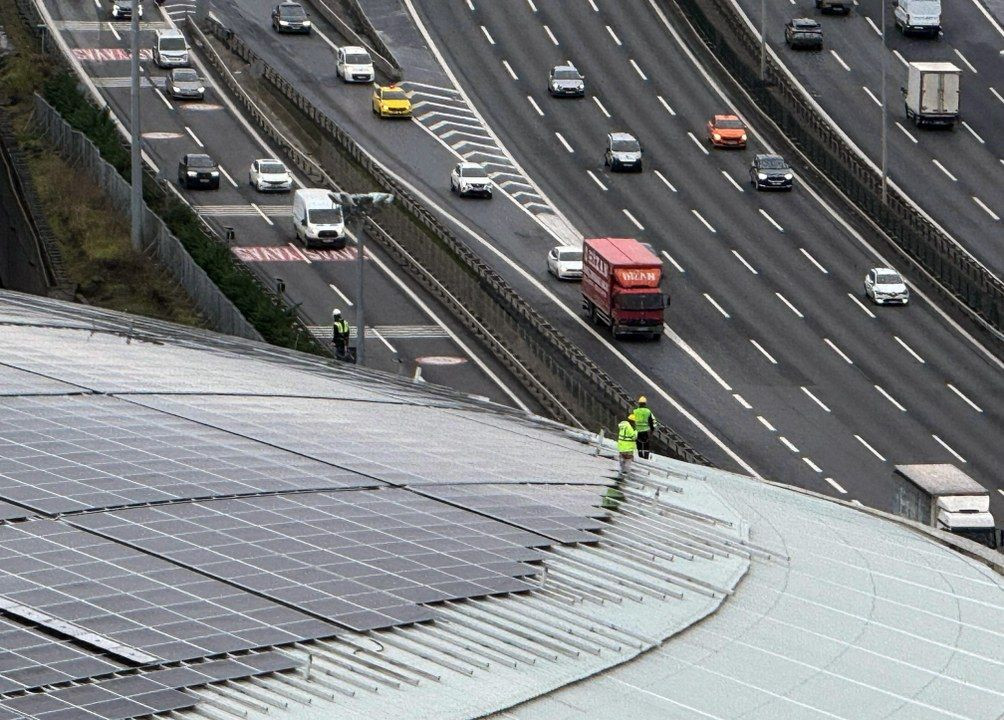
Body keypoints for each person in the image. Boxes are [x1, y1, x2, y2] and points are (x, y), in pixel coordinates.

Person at [617, 412, 638, 478]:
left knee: (622, 461)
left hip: (621, 447)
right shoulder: (629, 427)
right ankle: (625, 475)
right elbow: (634, 436)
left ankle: (620, 473)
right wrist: (637, 430)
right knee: (628, 462)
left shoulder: (623, 426)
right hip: (628, 448)